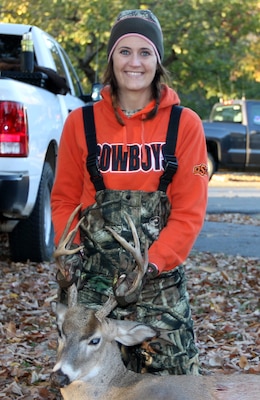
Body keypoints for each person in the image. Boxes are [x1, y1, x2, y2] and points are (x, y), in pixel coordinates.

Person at [51, 9, 208, 376]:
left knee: (178, 388)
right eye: (124, 51)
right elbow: (63, 200)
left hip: (158, 282)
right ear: (111, 59)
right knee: (80, 383)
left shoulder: (185, 125)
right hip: (95, 281)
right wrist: (68, 252)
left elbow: (190, 210)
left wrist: (153, 263)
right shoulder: (81, 123)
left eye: (145, 52)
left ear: (158, 61)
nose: (134, 62)